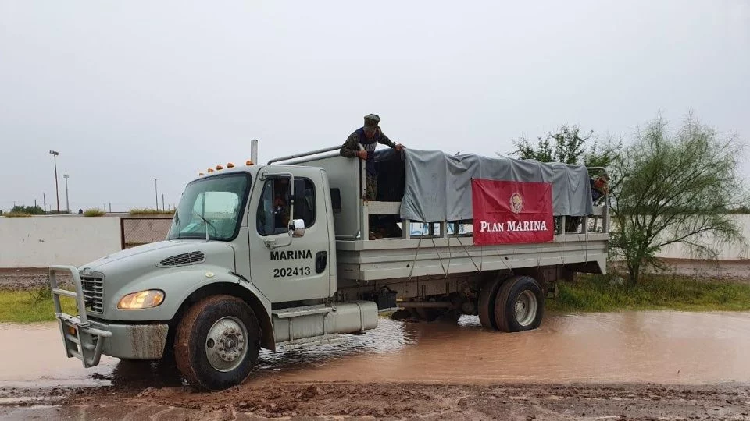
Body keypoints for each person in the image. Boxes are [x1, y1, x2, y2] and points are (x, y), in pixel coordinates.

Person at [340, 114, 403, 201]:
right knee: (365, 195)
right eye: (366, 131)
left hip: (370, 167)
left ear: (375, 129)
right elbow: (343, 150)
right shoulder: (356, 135)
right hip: (358, 169)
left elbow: (384, 140)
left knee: (373, 195)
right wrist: (358, 153)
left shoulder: (378, 133)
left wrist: (394, 146)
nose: (368, 133)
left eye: (370, 131)